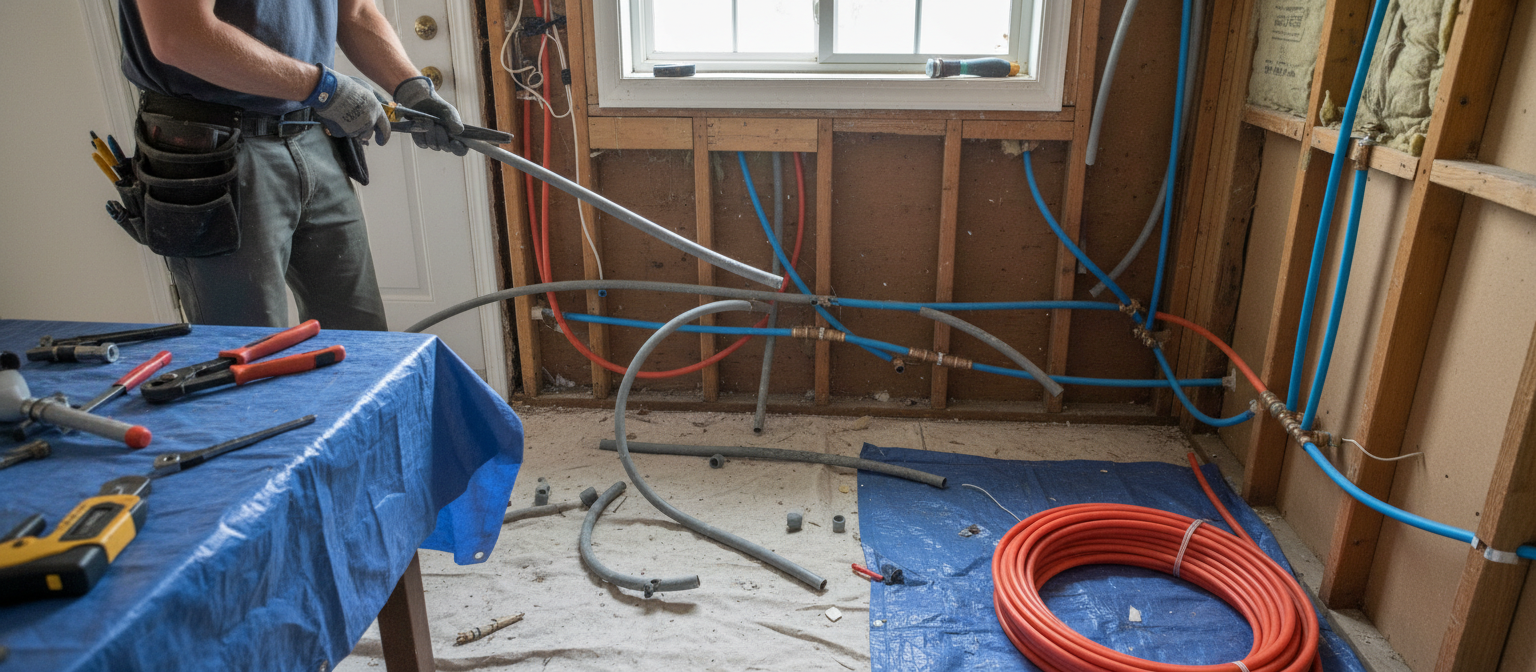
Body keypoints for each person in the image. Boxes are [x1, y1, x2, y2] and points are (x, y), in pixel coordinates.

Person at [118, 0, 469, 330]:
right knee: (245, 354)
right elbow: (179, 35)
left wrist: (412, 89)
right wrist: (322, 88)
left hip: (311, 130)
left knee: (359, 337)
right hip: (211, 145)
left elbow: (356, 12)